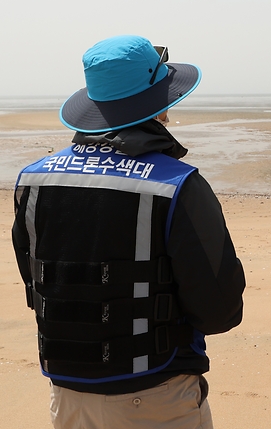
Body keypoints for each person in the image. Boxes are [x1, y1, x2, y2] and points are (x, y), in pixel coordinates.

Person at [12, 35, 246, 428]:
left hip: (67, 398)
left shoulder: (32, 180)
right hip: (156, 398)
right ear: (158, 106)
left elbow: (37, 283)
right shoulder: (177, 185)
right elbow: (220, 310)